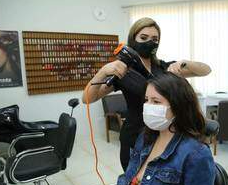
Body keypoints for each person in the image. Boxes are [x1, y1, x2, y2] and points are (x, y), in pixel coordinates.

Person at [82, 17, 211, 171]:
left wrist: (184, 63)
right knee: (134, 183)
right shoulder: (123, 72)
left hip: (164, 135)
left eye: (154, 39)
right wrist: (103, 71)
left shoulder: (163, 67)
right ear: (133, 39)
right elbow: (87, 98)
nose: (150, 42)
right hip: (134, 135)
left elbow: (205, 70)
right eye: (143, 38)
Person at [113, 72, 215, 185]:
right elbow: (129, 174)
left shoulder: (196, 155)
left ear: (178, 107)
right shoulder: (145, 137)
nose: (148, 106)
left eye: (156, 101)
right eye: (146, 100)